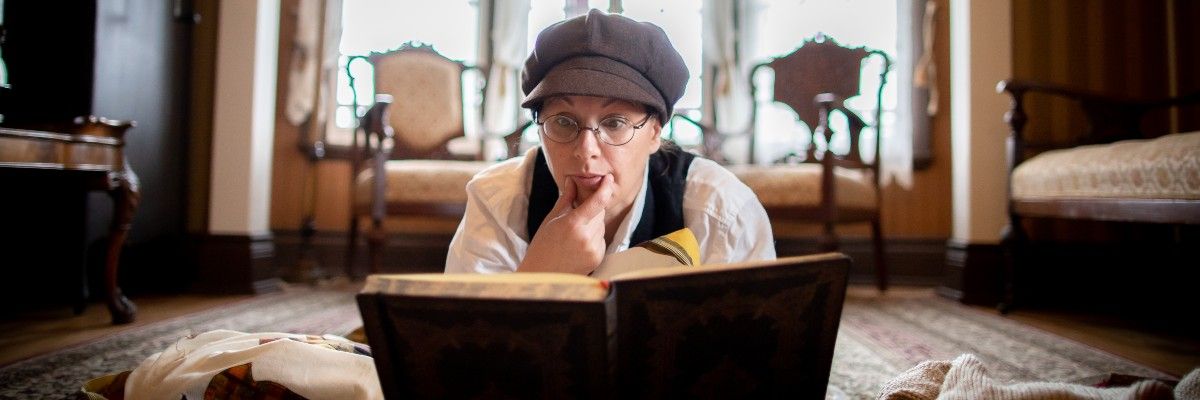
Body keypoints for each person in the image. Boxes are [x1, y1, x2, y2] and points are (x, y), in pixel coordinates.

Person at [445, 9, 774, 274]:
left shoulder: (721, 212)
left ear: (655, 132)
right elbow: (470, 335)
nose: (585, 150)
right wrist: (541, 274)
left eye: (615, 123)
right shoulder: (499, 201)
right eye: (563, 122)